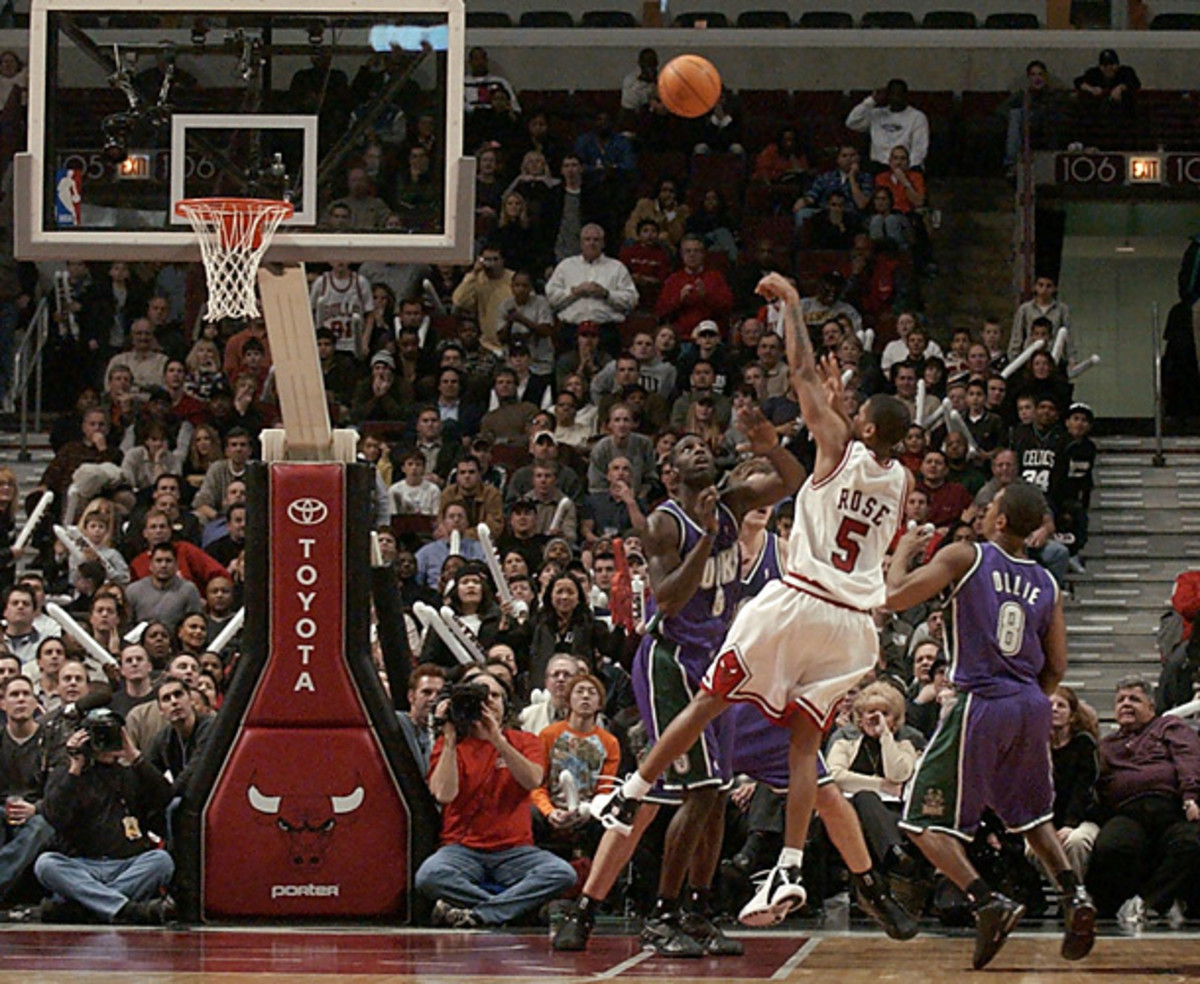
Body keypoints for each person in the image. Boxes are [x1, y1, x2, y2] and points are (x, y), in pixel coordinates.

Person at [588, 272, 911, 929]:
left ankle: (632, 791)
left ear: (863, 424)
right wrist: (836, 401)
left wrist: (792, 309)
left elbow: (796, 372)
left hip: (800, 605)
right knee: (805, 748)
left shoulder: (834, 452)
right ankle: (789, 866)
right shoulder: (900, 478)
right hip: (855, 630)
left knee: (711, 701)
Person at [886, 483, 1096, 969]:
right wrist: (1026, 700)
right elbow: (1058, 667)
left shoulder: (968, 555)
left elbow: (896, 596)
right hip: (1030, 702)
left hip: (981, 699)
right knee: (1031, 818)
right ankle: (1075, 895)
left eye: (990, 506)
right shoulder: (1046, 581)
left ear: (1000, 521)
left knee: (918, 820)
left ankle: (986, 901)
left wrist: (903, 552)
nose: (982, 511)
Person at [415, 670, 576, 927]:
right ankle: (520, 911)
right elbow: (444, 794)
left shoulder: (525, 741)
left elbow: (532, 780)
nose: (488, 701)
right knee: (429, 876)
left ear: (506, 704)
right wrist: (449, 738)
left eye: (495, 695)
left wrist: (498, 740)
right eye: (480, 695)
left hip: (515, 850)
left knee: (561, 873)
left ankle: (480, 914)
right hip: (461, 849)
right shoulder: (450, 745)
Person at [35, 710, 175, 924]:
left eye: (111, 734)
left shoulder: (132, 773)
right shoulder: (69, 774)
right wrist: (74, 767)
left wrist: (134, 756)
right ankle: (125, 909)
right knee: (46, 864)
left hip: (127, 863)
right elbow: (54, 815)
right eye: (99, 735)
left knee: (162, 861)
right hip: (82, 865)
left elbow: (165, 797)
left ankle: (82, 908)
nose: (106, 741)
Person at [1086, 676, 1200, 924]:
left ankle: (1146, 902)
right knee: (1112, 846)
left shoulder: (1169, 727)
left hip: (1172, 809)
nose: (1126, 704)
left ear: (1151, 707)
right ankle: (1113, 908)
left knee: (1192, 842)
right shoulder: (1106, 745)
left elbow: (1188, 760)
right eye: (1120, 700)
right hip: (1128, 812)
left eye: (1134, 699)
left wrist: (1191, 797)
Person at [0, 675, 54, 904]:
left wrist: (36, 808)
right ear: (2, 704)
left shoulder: (52, 740)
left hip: (40, 812)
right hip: (3, 811)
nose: (21, 699)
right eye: (14, 695)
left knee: (42, 826)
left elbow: (62, 791)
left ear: (35, 702)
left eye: (26, 694)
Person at [845, 79, 930, 171]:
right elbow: (852, 123)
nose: (896, 98)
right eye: (892, 94)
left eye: (899, 95)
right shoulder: (876, 114)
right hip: (878, 167)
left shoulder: (917, 117)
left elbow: (919, 150)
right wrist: (872, 100)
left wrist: (905, 169)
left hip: (905, 168)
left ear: (906, 96)